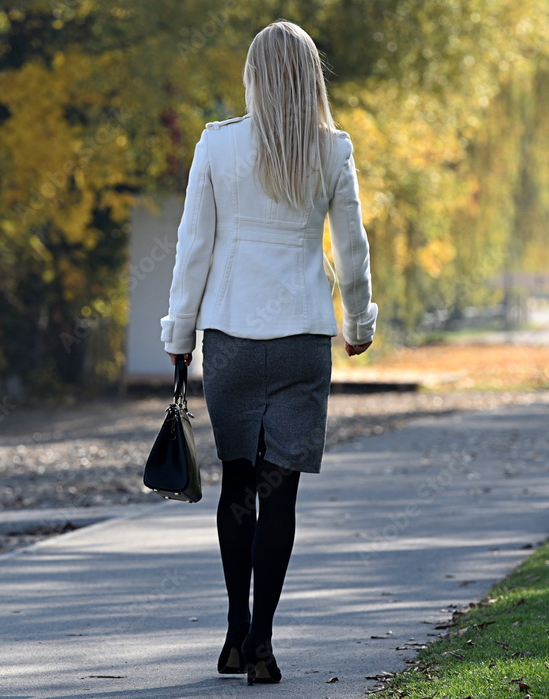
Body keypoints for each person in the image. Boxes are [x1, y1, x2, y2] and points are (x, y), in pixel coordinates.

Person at [159, 20, 377, 685]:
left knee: (239, 484)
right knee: (280, 492)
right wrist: (361, 320)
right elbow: (353, 246)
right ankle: (262, 641)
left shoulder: (218, 147)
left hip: (230, 340)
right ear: (312, 77)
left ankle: (232, 629)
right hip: (303, 340)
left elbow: (193, 246)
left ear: (253, 75)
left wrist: (179, 334)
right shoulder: (331, 151)